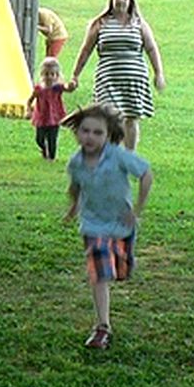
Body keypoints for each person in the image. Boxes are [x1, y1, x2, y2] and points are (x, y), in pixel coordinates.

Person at [62, 103, 153, 350]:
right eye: (85, 131)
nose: (90, 137)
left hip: (121, 224)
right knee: (99, 273)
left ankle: (122, 262)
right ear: (77, 132)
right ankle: (102, 327)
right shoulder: (76, 162)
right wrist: (73, 208)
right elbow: (76, 186)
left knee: (120, 272)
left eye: (97, 132)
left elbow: (146, 174)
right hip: (93, 225)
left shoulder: (119, 156)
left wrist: (137, 210)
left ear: (109, 134)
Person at [68, 0, 166, 150]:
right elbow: (86, 50)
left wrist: (158, 73)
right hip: (108, 80)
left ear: (130, 2)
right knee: (110, 117)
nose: (121, 0)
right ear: (112, 0)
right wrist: (75, 75)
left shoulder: (139, 23)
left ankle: (129, 155)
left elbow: (151, 48)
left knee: (131, 118)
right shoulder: (101, 23)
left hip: (134, 80)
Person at [26, 56, 77, 160]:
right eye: (46, 74)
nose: (49, 77)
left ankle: (51, 158)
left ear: (57, 75)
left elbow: (67, 88)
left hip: (54, 118)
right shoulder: (39, 89)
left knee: (52, 139)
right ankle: (44, 149)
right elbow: (30, 100)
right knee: (39, 139)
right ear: (42, 75)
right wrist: (29, 110)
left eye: (52, 74)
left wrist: (72, 85)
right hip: (41, 117)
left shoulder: (57, 88)